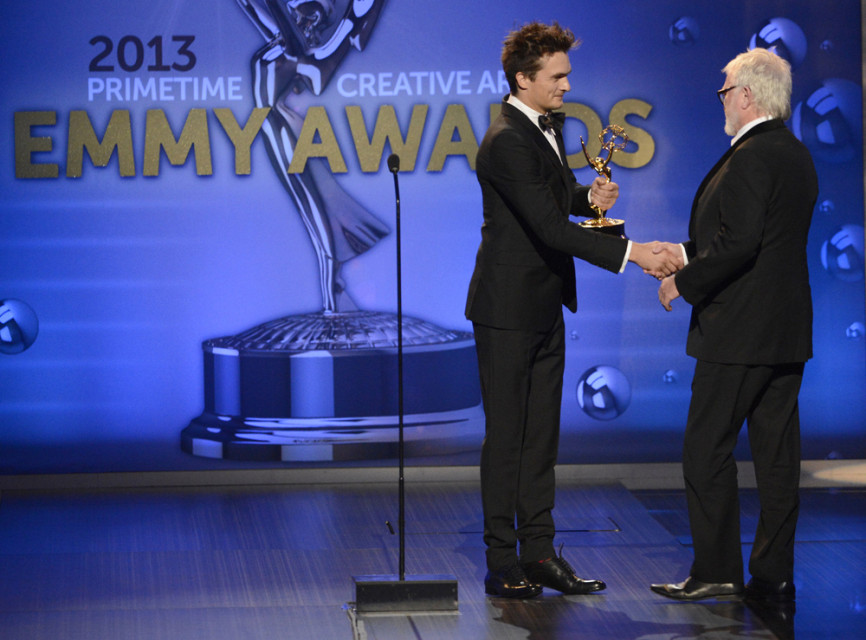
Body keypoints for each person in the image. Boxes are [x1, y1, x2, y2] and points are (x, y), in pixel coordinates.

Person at [464, 21, 681, 599]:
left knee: (541, 440)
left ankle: (539, 554)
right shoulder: (506, 138)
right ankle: (500, 561)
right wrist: (633, 253)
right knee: (507, 437)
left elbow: (555, 199)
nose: (565, 85)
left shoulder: (544, 128)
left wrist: (590, 197)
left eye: (566, 75)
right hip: (506, 311)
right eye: (557, 77)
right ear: (523, 78)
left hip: (543, 307)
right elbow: (546, 226)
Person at [651, 48, 818, 602]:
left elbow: (741, 244)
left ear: (747, 94)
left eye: (725, 90)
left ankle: (717, 569)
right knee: (776, 459)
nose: (721, 99)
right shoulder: (792, 153)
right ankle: (773, 575)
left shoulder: (750, 155)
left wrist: (685, 281)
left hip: (738, 331)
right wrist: (683, 251)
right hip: (784, 332)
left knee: (705, 450)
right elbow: (755, 237)